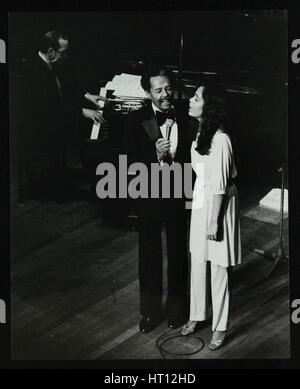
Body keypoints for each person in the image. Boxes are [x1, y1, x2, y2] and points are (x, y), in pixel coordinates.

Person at [127, 65, 190, 333]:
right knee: (149, 254)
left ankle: (177, 310)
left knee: (178, 252)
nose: (165, 94)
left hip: (178, 189)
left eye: (168, 88)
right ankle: (150, 312)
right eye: (158, 90)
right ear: (147, 92)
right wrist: (153, 155)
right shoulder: (135, 119)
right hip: (149, 192)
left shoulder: (187, 115)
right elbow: (128, 162)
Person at [181, 85, 241, 350]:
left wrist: (214, 221)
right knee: (197, 258)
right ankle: (196, 314)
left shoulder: (221, 140)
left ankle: (220, 326)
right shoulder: (199, 134)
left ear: (209, 106)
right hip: (201, 199)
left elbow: (220, 185)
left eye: (196, 97)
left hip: (219, 205)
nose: (190, 100)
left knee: (218, 268)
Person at [17, 30, 105, 202]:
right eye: (63, 52)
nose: (66, 56)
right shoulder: (32, 71)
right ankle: (71, 181)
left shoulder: (51, 65)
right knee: (84, 125)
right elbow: (48, 108)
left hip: (50, 118)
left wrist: (86, 96)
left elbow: (64, 92)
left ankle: (80, 173)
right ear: (51, 52)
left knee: (86, 121)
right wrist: (81, 111)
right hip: (37, 128)